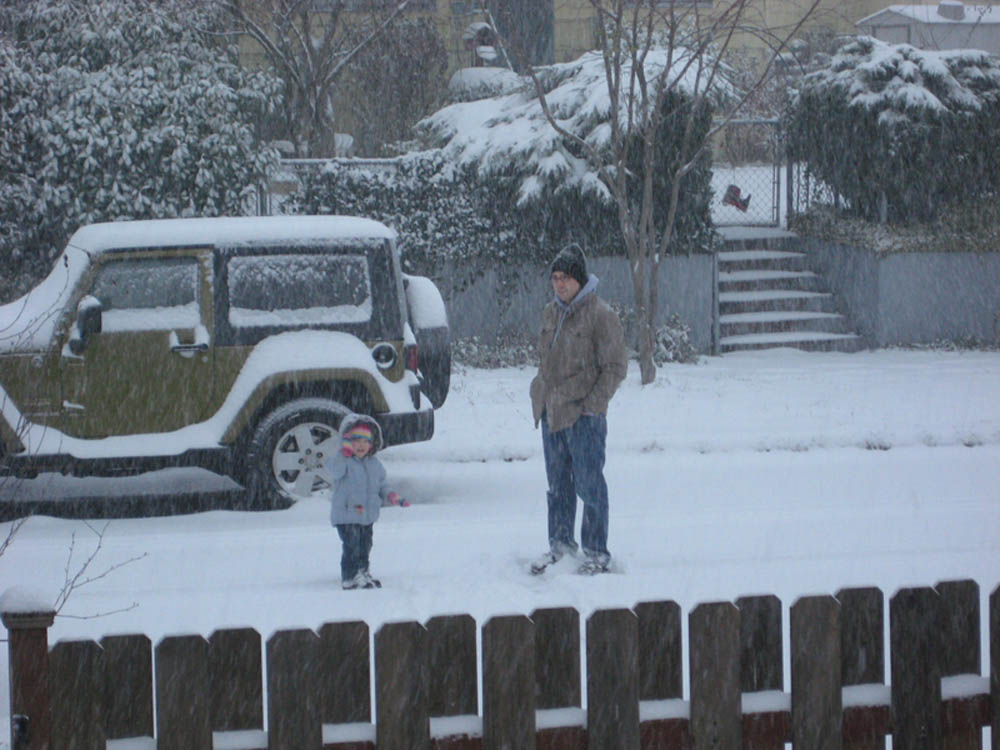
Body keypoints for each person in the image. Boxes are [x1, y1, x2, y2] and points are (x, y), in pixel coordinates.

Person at [529, 242, 627, 575]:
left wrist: (593, 406)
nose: (559, 284)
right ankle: (560, 546)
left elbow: (615, 366)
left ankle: (596, 552)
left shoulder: (601, 315)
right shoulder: (549, 312)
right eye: (555, 277)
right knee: (558, 486)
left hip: (584, 416)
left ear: (580, 280)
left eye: (566, 278)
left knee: (589, 485)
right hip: (551, 412)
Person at [324, 414, 409, 589]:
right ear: (347, 442)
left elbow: (382, 485)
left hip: (367, 516)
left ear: (372, 444)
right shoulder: (343, 461)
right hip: (347, 515)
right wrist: (343, 453)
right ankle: (349, 577)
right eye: (356, 441)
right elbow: (334, 471)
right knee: (352, 547)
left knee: (365, 546)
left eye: (365, 441)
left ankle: (363, 572)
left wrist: (392, 496)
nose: (361, 445)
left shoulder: (375, 464)